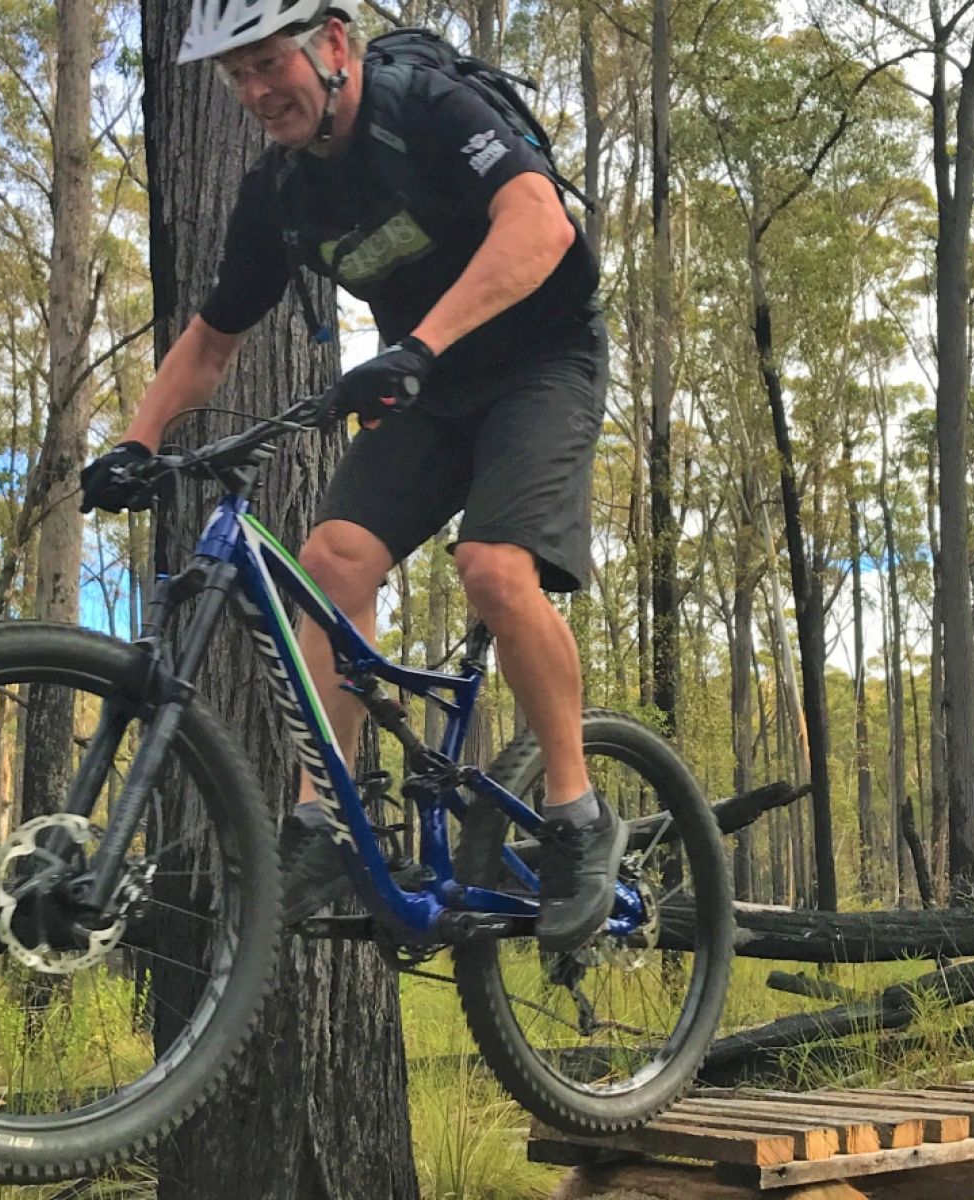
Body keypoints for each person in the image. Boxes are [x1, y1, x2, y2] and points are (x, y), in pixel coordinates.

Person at [78, 0, 623, 951]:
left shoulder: (428, 107)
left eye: (266, 63)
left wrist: (419, 344)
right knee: (331, 560)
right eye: (235, 76)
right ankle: (324, 818)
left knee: (494, 567)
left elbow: (541, 228)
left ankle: (578, 815)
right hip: (429, 387)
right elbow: (211, 341)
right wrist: (137, 440)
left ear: (332, 45)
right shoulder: (281, 193)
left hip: (542, 364)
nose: (254, 92)